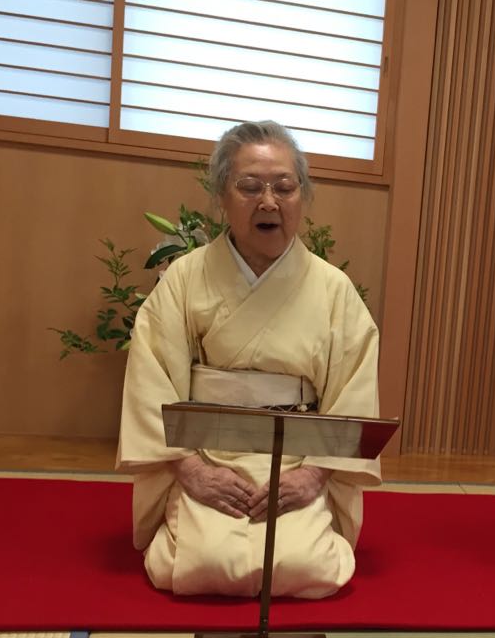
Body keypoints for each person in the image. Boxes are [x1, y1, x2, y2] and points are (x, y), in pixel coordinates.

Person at [117, 120, 380, 598]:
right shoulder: (185, 278)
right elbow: (150, 378)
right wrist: (192, 472)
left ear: (303, 196)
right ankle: (190, 511)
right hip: (207, 453)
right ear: (222, 194)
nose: (269, 202)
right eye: (250, 186)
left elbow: (353, 390)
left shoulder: (333, 289)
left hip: (296, 456)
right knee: (204, 563)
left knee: (305, 567)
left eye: (285, 187)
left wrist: (313, 475)